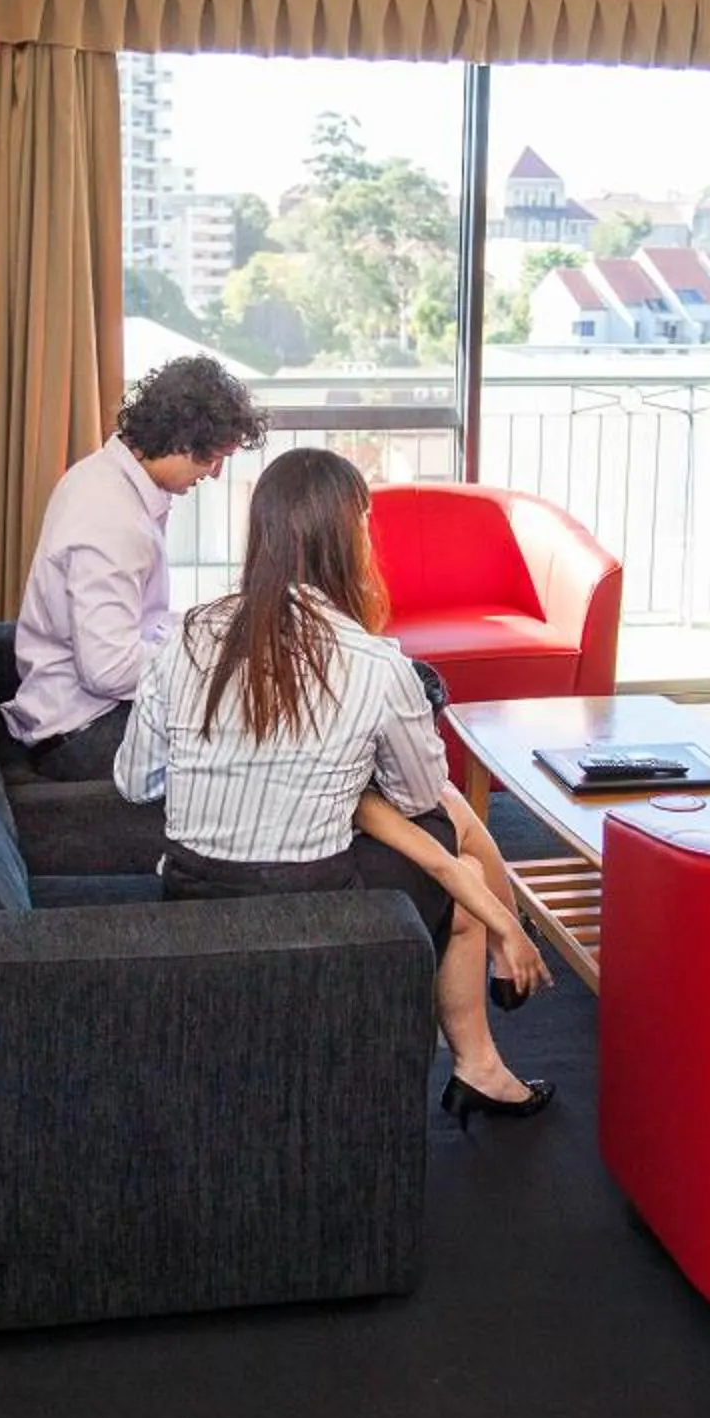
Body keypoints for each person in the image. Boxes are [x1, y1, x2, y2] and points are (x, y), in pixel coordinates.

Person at [115, 450, 556, 1122]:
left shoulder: (186, 638)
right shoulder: (375, 663)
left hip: (192, 889)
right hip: (314, 899)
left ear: (259, 533)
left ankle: (485, 1053)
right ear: (349, 539)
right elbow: (418, 797)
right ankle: (488, 1021)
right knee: (454, 840)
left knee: (452, 846)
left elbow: (134, 781)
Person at [3, 356, 269, 782]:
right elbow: (109, 670)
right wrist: (216, 666)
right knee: (271, 736)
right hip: (85, 732)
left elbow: (138, 625)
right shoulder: (112, 518)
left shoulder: (104, 479)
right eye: (214, 459)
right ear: (184, 442)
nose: (216, 475)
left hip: (89, 712)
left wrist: (212, 627)